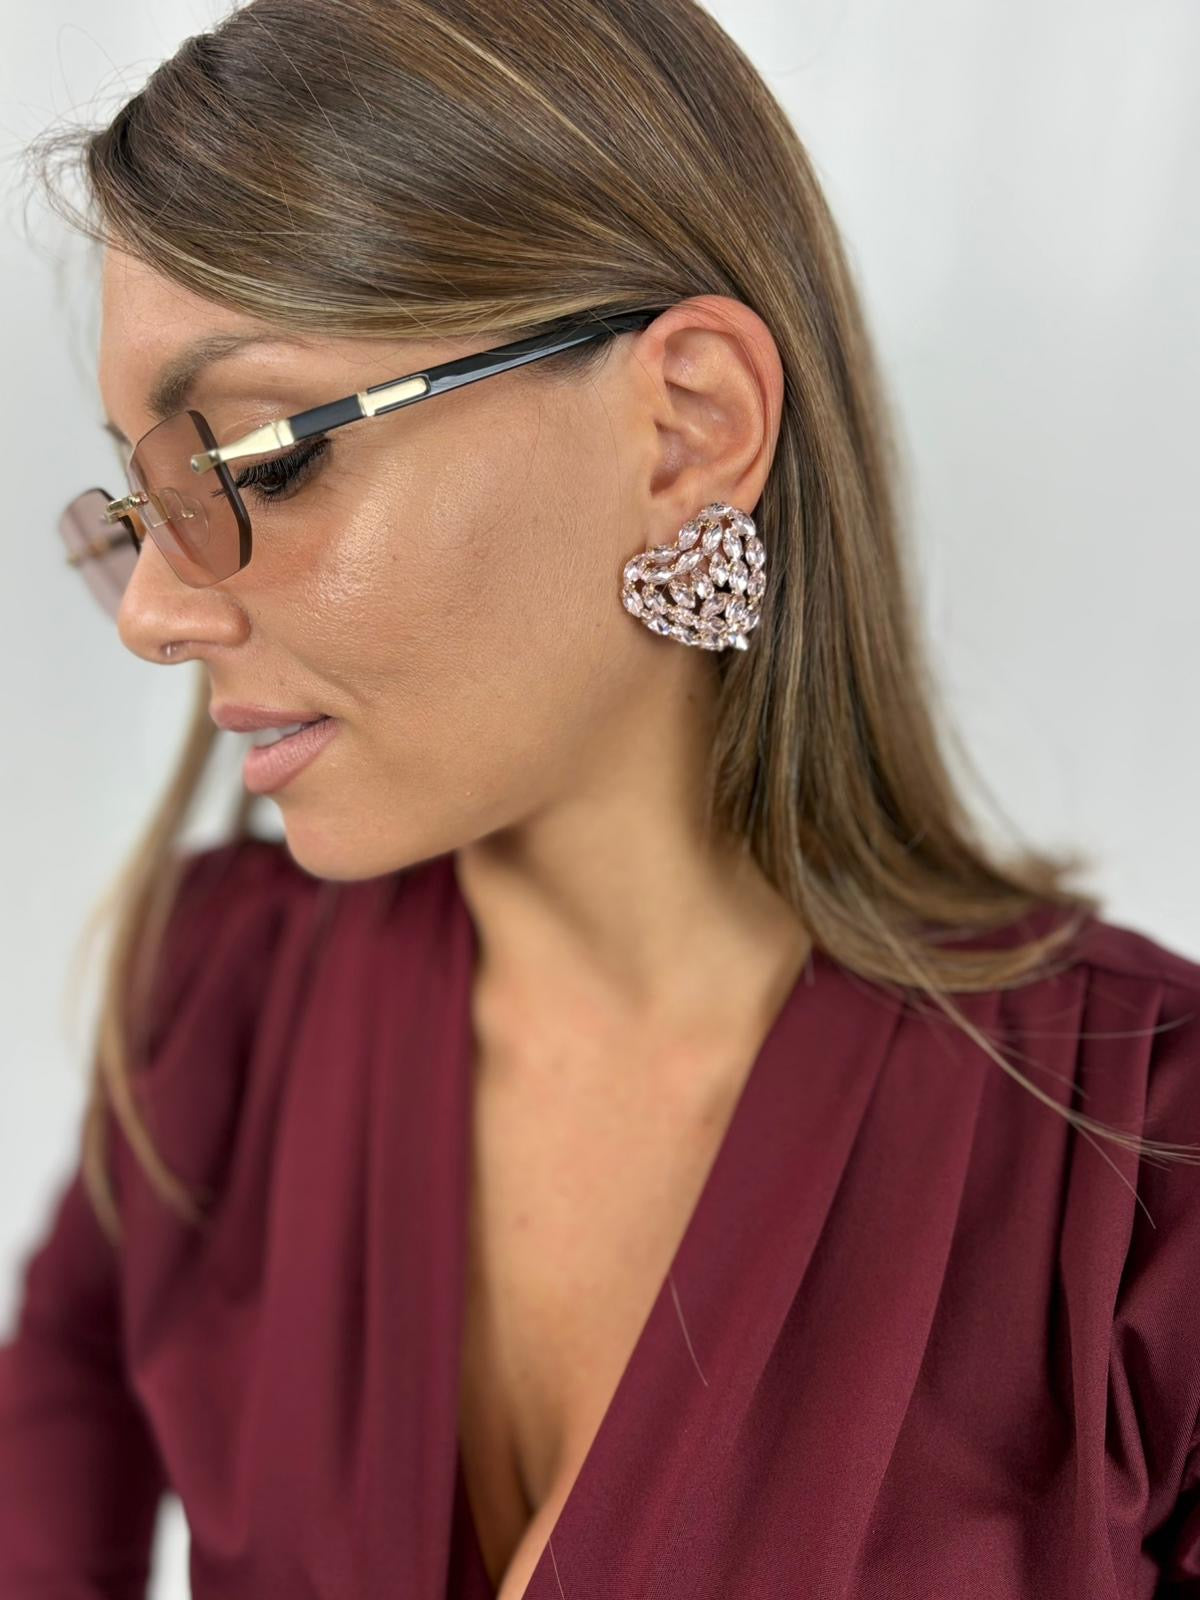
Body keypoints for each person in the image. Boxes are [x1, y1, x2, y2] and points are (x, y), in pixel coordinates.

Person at [4, 1, 1200, 1596]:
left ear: (688, 429)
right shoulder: (218, 1007)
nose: (153, 613)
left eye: (260, 466)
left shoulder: (1148, 1174)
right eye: (146, 499)